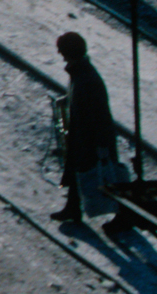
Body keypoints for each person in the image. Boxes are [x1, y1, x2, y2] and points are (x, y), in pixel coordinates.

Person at [50, 33, 127, 226]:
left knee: (103, 174)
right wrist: (68, 100)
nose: (60, 54)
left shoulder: (86, 78)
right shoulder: (81, 72)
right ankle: (73, 207)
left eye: (62, 50)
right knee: (80, 169)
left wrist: (101, 145)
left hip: (93, 137)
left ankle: (124, 214)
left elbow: (99, 114)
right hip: (84, 135)